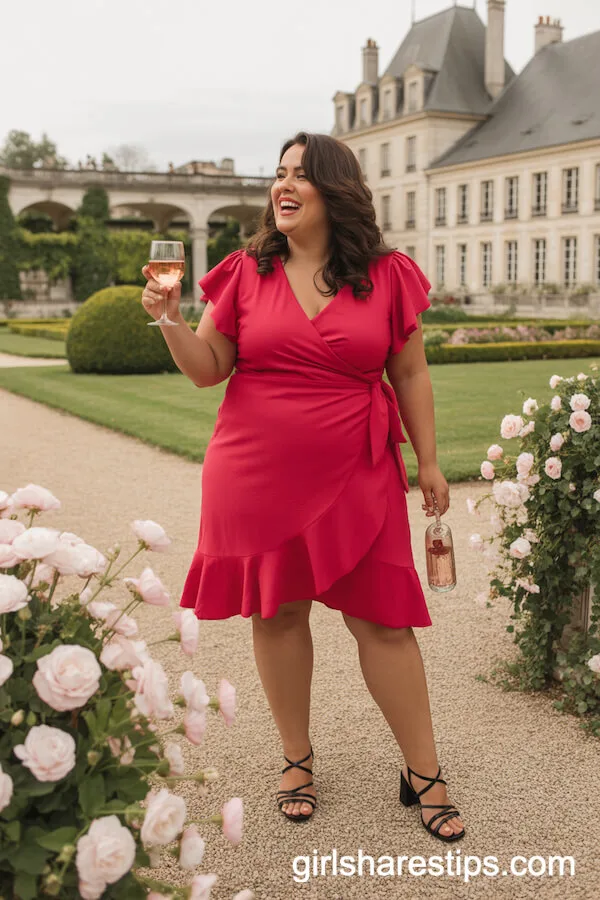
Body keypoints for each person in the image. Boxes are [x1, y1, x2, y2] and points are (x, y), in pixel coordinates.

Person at [141, 131, 465, 842]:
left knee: (383, 620)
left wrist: (430, 461)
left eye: (300, 176)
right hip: (254, 472)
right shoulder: (244, 272)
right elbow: (207, 368)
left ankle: (425, 771)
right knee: (279, 613)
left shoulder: (387, 274)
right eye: (278, 175)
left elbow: (409, 372)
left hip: (359, 466)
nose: (282, 187)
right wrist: (167, 319)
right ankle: (296, 758)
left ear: (335, 190)